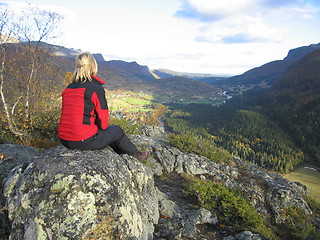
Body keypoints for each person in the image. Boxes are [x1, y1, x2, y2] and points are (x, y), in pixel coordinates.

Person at [58, 52, 148, 160]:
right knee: (116, 131)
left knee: (107, 134)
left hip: (64, 139)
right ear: (93, 66)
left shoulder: (69, 87)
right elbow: (103, 121)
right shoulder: (95, 87)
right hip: (82, 140)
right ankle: (135, 155)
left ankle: (122, 154)